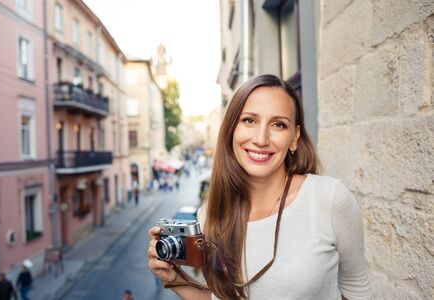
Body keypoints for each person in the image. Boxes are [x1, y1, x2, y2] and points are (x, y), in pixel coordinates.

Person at [147, 74, 371, 299]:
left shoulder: (328, 199)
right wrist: (174, 280)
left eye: (278, 124)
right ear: (231, 129)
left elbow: (357, 289)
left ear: (294, 137)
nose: (261, 138)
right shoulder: (210, 214)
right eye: (249, 120)